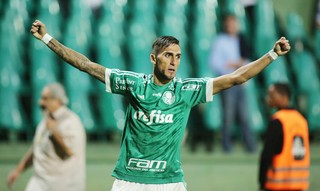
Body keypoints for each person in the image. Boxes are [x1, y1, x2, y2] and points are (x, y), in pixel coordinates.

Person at [30, 19, 290, 191]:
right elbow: (86, 65)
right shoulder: (134, 84)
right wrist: (47, 38)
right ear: (154, 58)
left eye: (178, 56)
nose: (174, 62)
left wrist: (272, 54)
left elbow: (236, 77)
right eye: (168, 55)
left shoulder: (187, 90)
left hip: (170, 182)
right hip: (129, 180)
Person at [7, 83, 86, 191]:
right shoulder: (45, 121)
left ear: (57, 100)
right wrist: (18, 170)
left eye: (45, 99)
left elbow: (68, 152)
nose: (40, 102)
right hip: (39, 182)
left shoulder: (71, 122)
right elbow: (37, 149)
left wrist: (53, 132)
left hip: (63, 186)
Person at [209, 13, 255, 153]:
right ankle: (227, 146)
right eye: (228, 24)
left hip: (241, 83)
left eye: (233, 23)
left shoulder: (241, 39)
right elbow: (215, 63)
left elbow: (247, 60)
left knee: (244, 116)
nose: (231, 26)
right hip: (227, 82)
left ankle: (250, 146)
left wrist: (240, 65)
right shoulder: (220, 41)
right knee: (227, 116)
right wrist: (231, 66)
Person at [259, 83, 310, 191]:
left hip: (278, 184)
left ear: (284, 97)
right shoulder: (302, 120)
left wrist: (262, 181)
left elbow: (267, 154)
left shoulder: (278, 120)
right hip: (300, 184)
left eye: (272, 95)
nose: (269, 99)